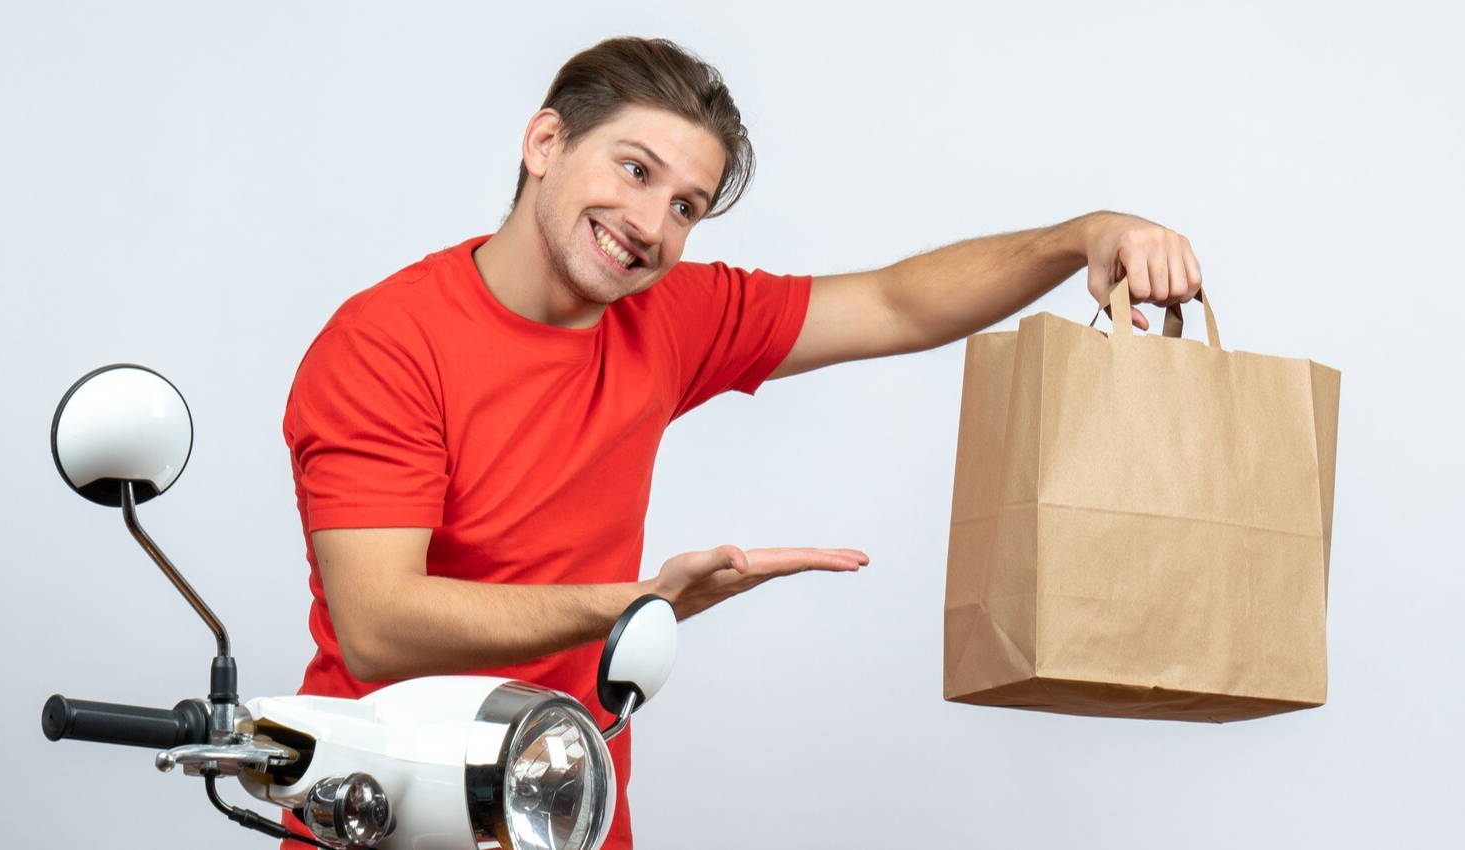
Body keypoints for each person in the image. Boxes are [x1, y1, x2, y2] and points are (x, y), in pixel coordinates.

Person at [278, 36, 1203, 849]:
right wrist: (637, 604)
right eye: (636, 171)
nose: (650, 226)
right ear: (545, 144)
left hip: (562, 807)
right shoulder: (387, 345)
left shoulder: (669, 314)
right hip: (387, 809)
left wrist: (1086, 234)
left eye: (688, 205)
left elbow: (892, 302)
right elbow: (377, 626)